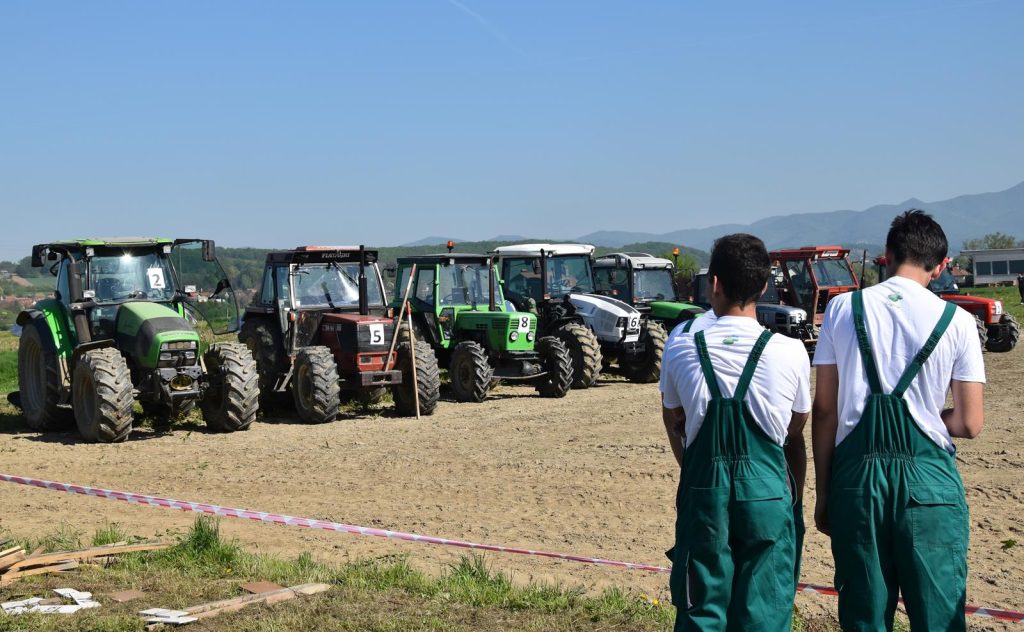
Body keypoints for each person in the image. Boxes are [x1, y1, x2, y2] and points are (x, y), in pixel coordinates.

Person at [812, 210, 985, 631]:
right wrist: (928, 416)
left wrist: (825, 492)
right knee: (939, 617)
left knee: (864, 616)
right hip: (930, 485)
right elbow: (969, 423)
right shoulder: (958, 322)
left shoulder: (842, 308)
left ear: (887, 255)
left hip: (857, 483)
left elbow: (825, 410)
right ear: (941, 266)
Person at [660, 233, 811, 631]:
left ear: (714, 283)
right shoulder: (790, 351)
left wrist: (699, 469)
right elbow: (795, 427)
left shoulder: (680, 344)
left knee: (701, 609)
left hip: (704, 490)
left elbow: (673, 418)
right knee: (764, 611)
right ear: (763, 287)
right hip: (767, 491)